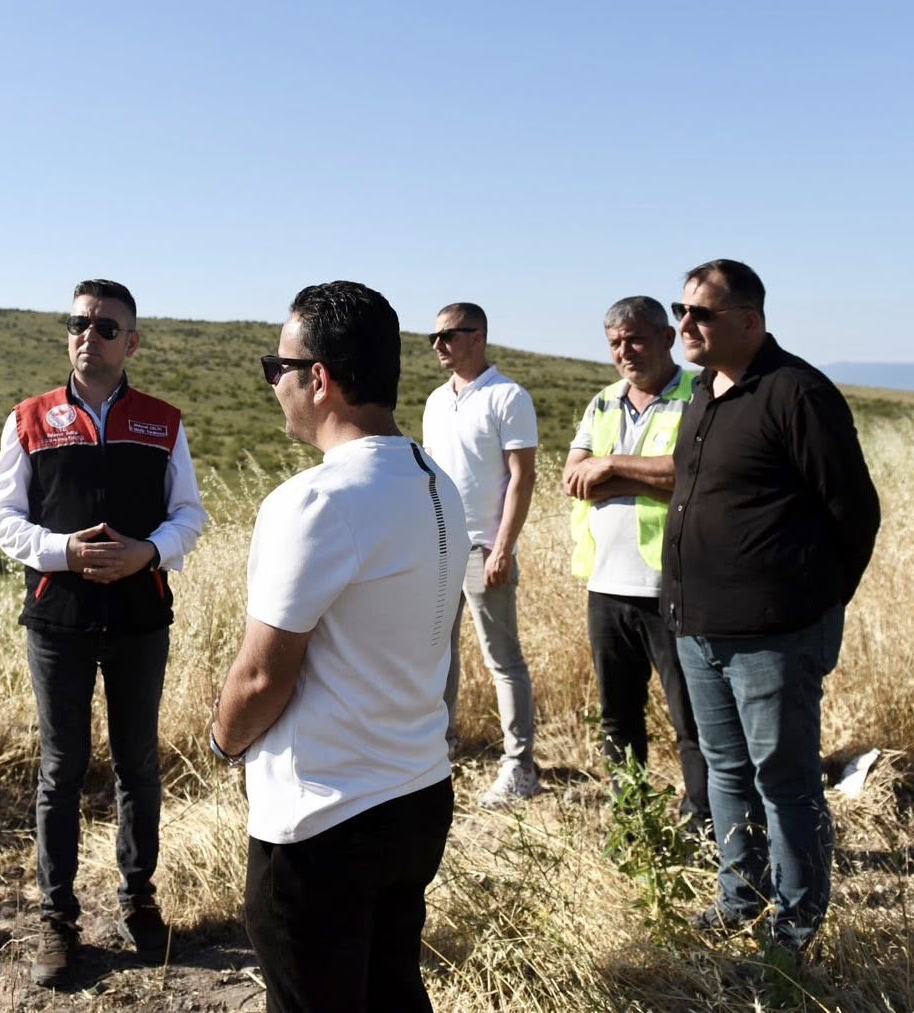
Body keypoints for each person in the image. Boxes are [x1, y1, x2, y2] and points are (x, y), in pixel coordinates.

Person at [211, 281, 464, 1012]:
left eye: (278, 368)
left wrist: (223, 742)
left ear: (318, 378)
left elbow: (262, 677)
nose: (274, 384)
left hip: (324, 815)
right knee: (392, 993)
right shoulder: (436, 483)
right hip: (417, 792)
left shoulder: (316, 501)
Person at [0, 278, 208, 987]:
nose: (89, 335)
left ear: (131, 342)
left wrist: (150, 552)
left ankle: (140, 902)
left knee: (138, 764)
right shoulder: (30, 419)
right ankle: (57, 917)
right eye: (78, 323)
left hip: (140, 617)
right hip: (60, 619)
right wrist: (62, 552)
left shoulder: (162, 422)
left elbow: (189, 514)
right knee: (62, 768)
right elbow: (1, 517)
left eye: (106, 327)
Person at [662, 258, 880, 955]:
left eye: (701, 314)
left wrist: (814, 608)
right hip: (698, 627)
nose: (685, 325)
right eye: (681, 310)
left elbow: (854, 512)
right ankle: (740, 898)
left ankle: (797, 927)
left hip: (774, 634)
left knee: (785, 780)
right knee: (726, 770)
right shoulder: (703, 392)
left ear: (750, 321)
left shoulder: (796, 393)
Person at [562, 295, 708, 831]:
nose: (625, 352)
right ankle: (634, 819)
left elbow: (689, 474)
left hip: (671, 585)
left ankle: (703, 822)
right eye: (615, 343)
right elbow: (573, 478)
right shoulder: (603, 402)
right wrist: (634, 474)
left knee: (691, 717)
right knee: (618, 715)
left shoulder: (699, 393)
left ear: (667, 338)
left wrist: (609, 468)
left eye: (636, 339)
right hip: (606, 584)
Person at [421, 302, 541, 807]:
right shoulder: (435, 401)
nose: (439, 344)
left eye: (449, 334)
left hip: (484, 547)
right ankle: (438, 752)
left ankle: (520, 766)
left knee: (502, 659)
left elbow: (522, 477)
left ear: (479, 337)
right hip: (439, 547)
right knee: (437, 655)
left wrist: (502, 548)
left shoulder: (507, 396)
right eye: (434, 336)